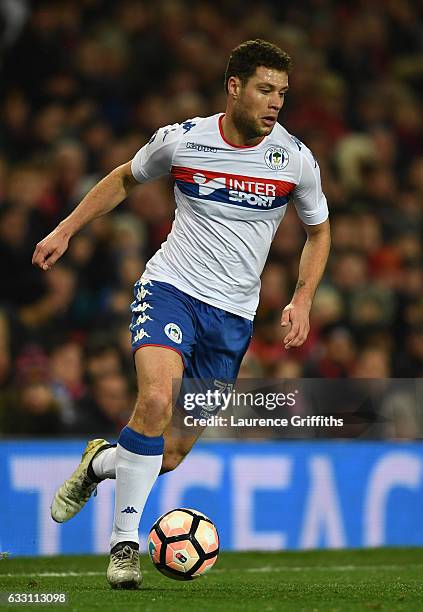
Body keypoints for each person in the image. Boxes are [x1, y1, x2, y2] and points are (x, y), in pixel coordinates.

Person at [32, 39, 330, 589]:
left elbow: (318, 231)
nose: (275, 104)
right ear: (234, 87)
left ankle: (100, 462)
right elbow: (124, 177)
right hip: (171, 288)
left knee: (166, 455)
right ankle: (124, 547)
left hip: (233, 318)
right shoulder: (184, 139)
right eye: (265, 90)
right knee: (154, 399)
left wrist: (303, 297)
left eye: (283, 94)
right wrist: (66, 229)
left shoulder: (294, 159)